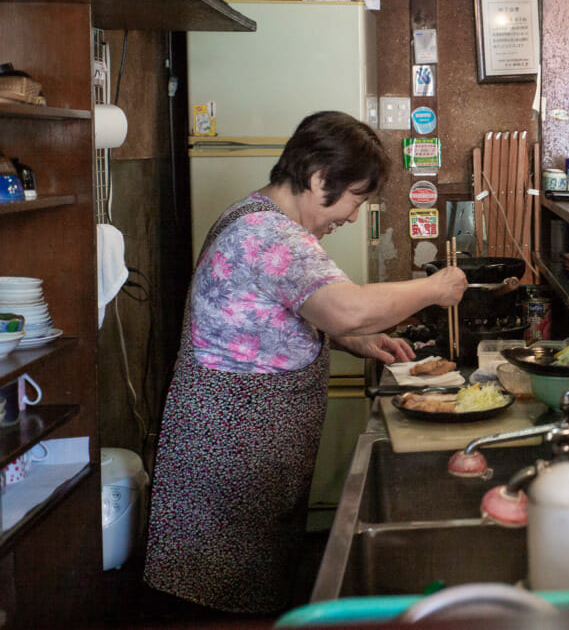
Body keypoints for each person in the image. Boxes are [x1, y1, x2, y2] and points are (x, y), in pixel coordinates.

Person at [144, 111, 468, 615]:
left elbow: (265, 319)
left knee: (247, 593)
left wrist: (353, 342)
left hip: (246, 464)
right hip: (229, 463)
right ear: (319, 179)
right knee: (214, 606)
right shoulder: (271, 236)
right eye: (355, 199)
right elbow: (347, 307)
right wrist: (434, 289)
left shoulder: (254, 215)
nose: (353, 216)